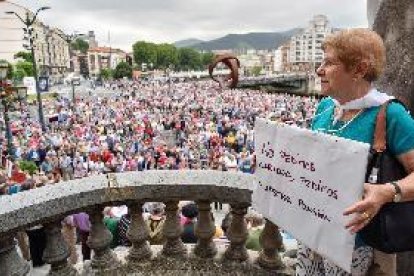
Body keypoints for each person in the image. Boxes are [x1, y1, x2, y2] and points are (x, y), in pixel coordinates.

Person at [297, 29, 414, 276]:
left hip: (358, 245)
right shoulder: (326, 106)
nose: (319, 70)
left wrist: (387, 192)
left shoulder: (390, 114)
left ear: (359, 70)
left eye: (329, 63)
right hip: (313, 232)